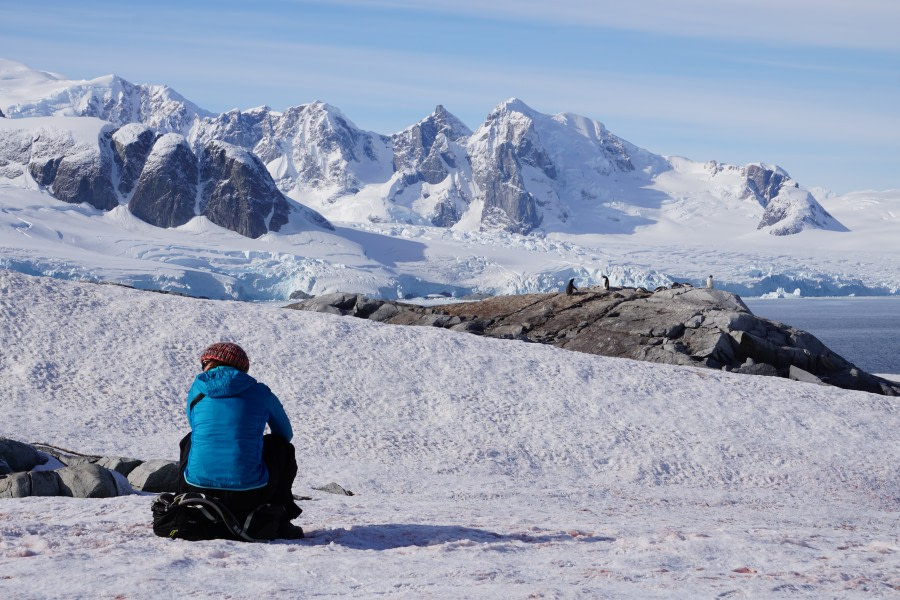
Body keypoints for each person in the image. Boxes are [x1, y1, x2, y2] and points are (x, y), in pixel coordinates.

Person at [177, 342, 304, 539]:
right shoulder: (261, 392)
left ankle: (185, 505)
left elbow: (197, 428)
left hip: (197, 487)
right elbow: (284, 435)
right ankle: (282, 520)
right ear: (242, 367)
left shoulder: (197, 391)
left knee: (191, 440)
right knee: (281, 448)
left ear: (207, 363)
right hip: (250, 492)